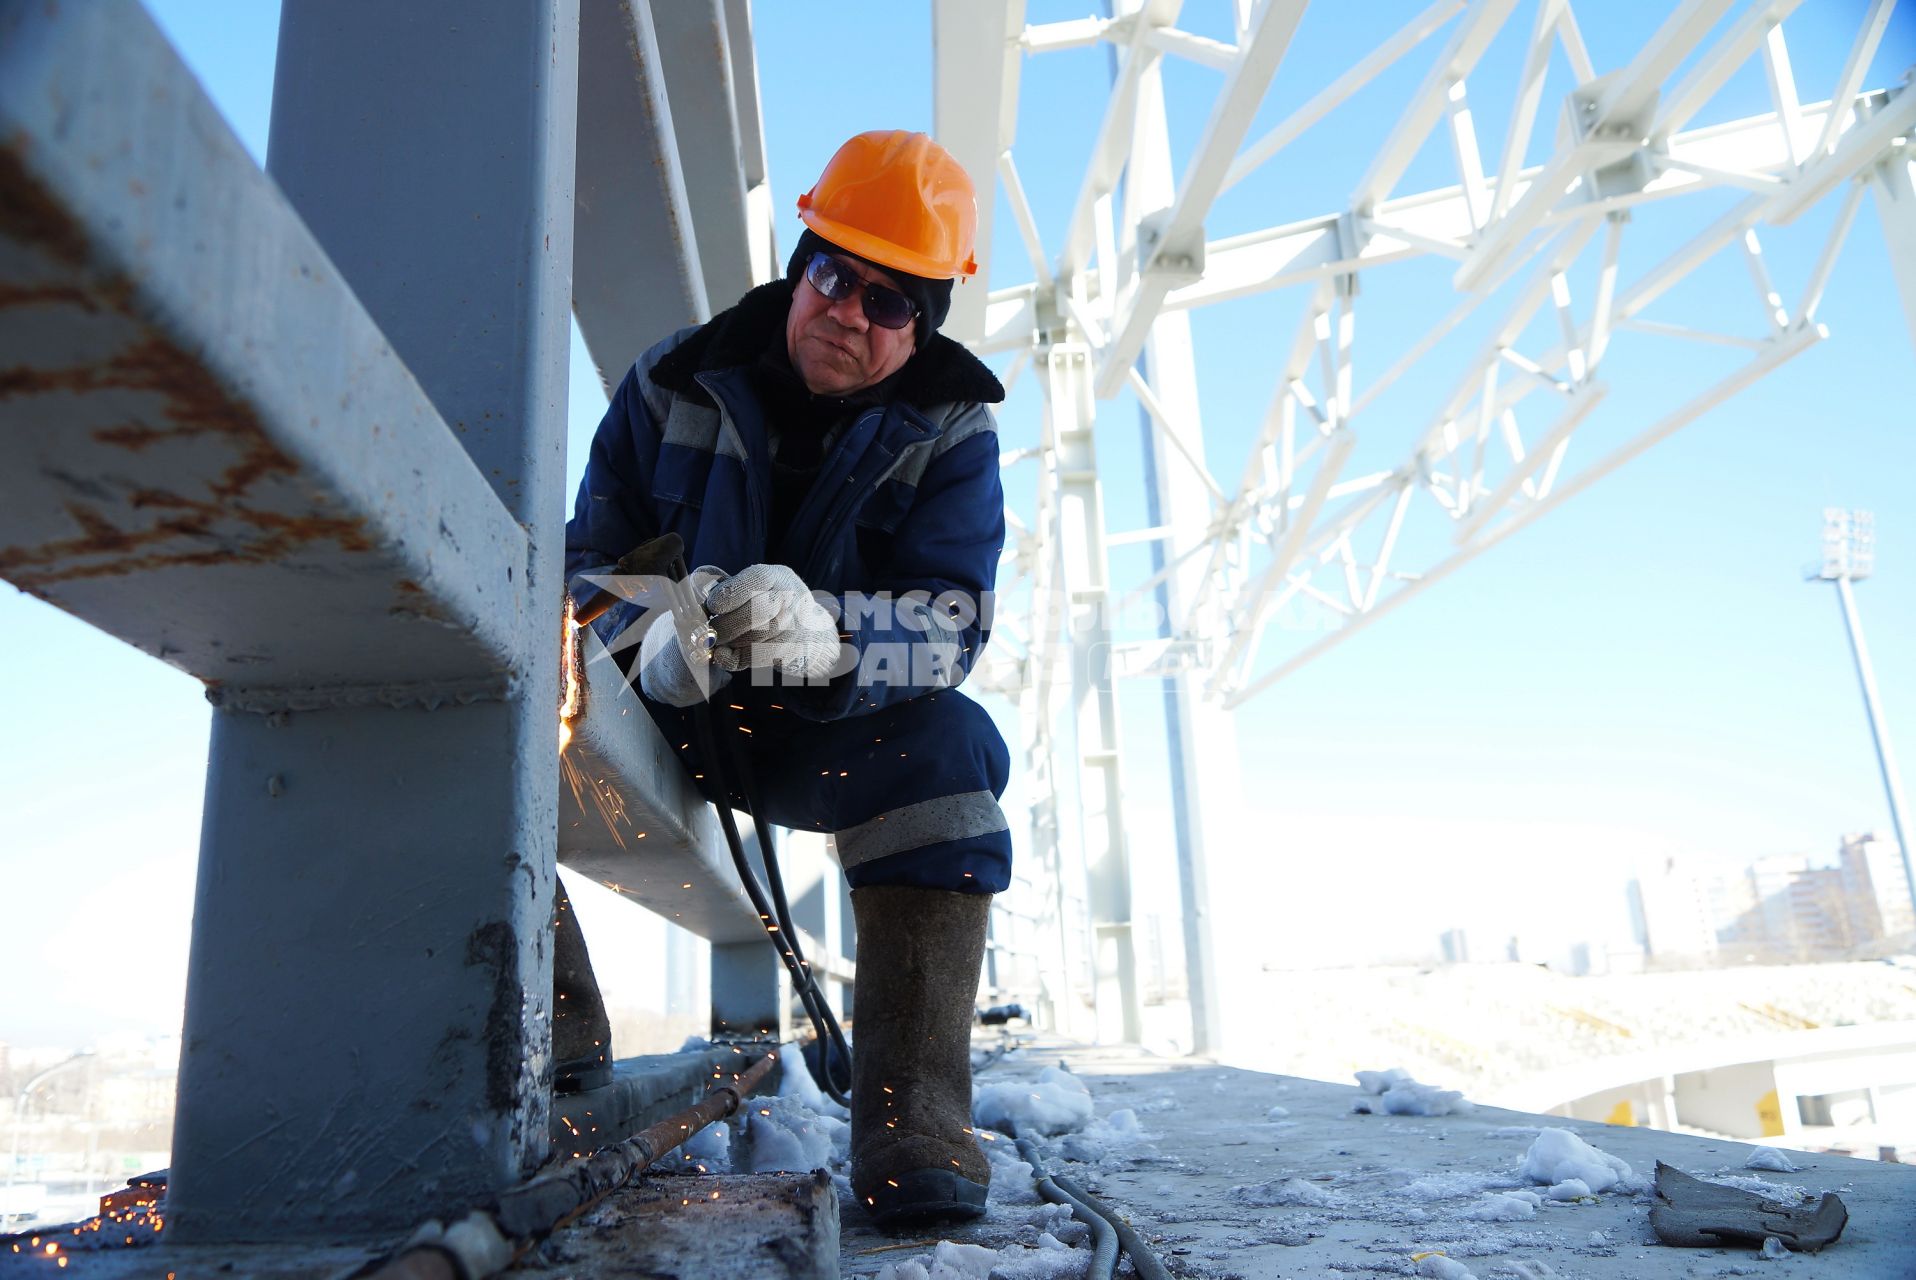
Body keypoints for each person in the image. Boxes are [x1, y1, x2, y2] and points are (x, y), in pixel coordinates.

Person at [560, 130, 1010, 1223]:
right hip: (659, 710)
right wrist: (644, 639)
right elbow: (579, 566)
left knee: (951, 751)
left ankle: (914, 1120)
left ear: (923, 327)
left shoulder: (949, 433)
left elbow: (949, 622)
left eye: (890, 300)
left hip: (818, 733)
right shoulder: (670, 381)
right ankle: (555, 1071)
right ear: (799, 263)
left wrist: (828, 642)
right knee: (509, 697)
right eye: (832, 273)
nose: (849, 310)